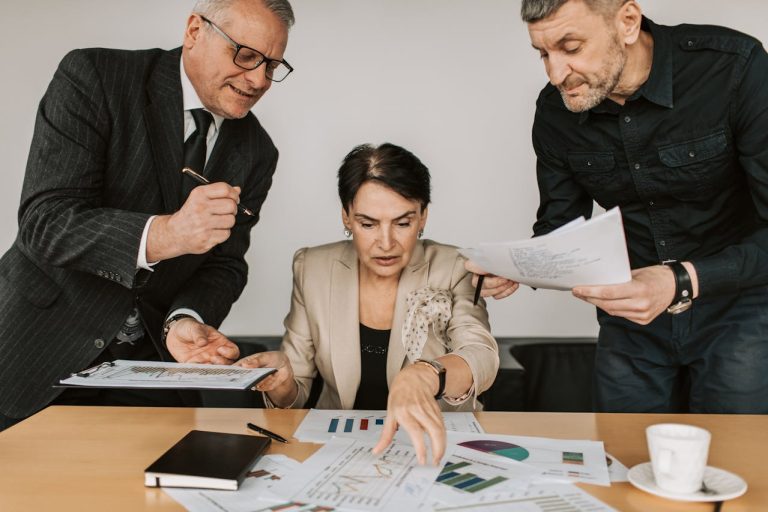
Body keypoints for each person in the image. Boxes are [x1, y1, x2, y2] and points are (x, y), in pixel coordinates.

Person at [0, 0, 295, 429]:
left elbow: (225, 264)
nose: (258, 80)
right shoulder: (95, 76)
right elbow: (45, 222)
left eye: (272, 65)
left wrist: (185, 319)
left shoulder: (257, 151)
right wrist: (167, 233)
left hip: (150, 370)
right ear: (195, 31)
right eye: (246, 55)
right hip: (35, 354)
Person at [468, 0, 768, 414]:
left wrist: (679, 281)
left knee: (737, 463)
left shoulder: (733, 68)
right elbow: (561, 225)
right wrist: (517, 265)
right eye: (543, 53)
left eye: (571, 48)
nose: (556, 75)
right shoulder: (555, 112)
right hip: (630, 320)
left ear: (627, 21)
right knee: (623, 462)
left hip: (740, 308)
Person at [238, 143, 499, 464]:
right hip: (337, 448)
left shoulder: (456, 265)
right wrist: (283, 383)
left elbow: (481, 355)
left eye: (403, 223)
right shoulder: (313, 267)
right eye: (368, 223)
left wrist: (427, 374)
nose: (386, 243)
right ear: (346, 216)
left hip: (436, 444)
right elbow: (299, 390)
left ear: (423, 216)